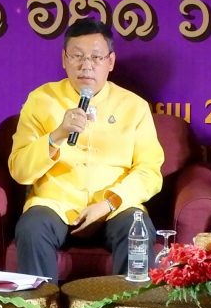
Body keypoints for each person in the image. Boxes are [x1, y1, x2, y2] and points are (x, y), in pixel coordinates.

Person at [9, 18, 165, 279]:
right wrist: (57, 135)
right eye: (77, 56)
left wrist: (109, 202)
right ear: (64, 59)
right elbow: (20, 171)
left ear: (110, 62)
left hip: (114, 207)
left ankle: (129, 306)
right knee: (31, 228)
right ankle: (40, 306)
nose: (86, 65)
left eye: (96, 57)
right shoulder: (40, 100)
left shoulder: (134, 106)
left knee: (136, 228)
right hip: (56, 205)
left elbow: (149, 172)